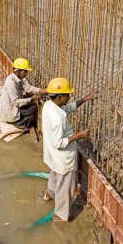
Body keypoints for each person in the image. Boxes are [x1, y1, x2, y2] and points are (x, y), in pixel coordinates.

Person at [42, 77, 96, 222]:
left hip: (53, 157)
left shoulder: (49, 105)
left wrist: (84, 99)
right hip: (63, 158)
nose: (69, 97)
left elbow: (67, 108)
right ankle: (59, 215)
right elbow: (59, 143)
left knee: (55, 176)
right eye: (67, 95)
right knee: (66, 187)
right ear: (59, 97)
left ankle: (49, 194)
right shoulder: (57, 119)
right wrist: (79, 135)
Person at [0, 58, 46, 131]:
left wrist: (42, 90)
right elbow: (15, 102)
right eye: (25, 71)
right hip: (10, 112)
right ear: (18, 70)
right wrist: (31, 99)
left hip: (11, 106)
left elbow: (28, 88)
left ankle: (18, 120)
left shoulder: (18, 78)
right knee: (33, 107)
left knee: (28, 101)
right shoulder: (11, 83)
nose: (26, 73)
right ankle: (19, 124)